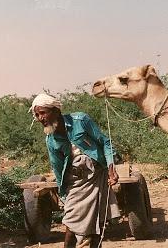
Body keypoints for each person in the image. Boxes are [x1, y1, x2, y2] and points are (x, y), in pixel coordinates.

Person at [29, 93, 120, 248]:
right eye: (37, 115)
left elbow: (105, 142)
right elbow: (57, 169)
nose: (40, 118)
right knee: (71, 221)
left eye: (43, 113)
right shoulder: (51, 140)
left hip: (97, 174)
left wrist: (111, 168)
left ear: (56, 111)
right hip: (75, 182)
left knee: (98, 220)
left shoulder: (81, 120)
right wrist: (63, 194)